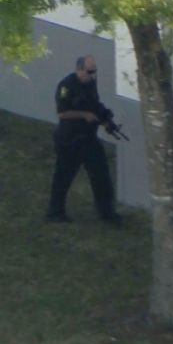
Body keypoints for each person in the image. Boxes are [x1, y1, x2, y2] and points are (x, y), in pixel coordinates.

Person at [45, 55, 121, 224]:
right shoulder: (66, 86)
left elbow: (94, 104)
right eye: (90, 71)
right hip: (70, 139)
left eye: (95, 71)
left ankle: (107, 213)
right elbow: (62, 113)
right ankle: (55, 212)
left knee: (101, 176)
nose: (93, 75)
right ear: (79, 70)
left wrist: (105, 119)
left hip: (88, 138)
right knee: (63, 177)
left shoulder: (91, 84)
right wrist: (84, 115)